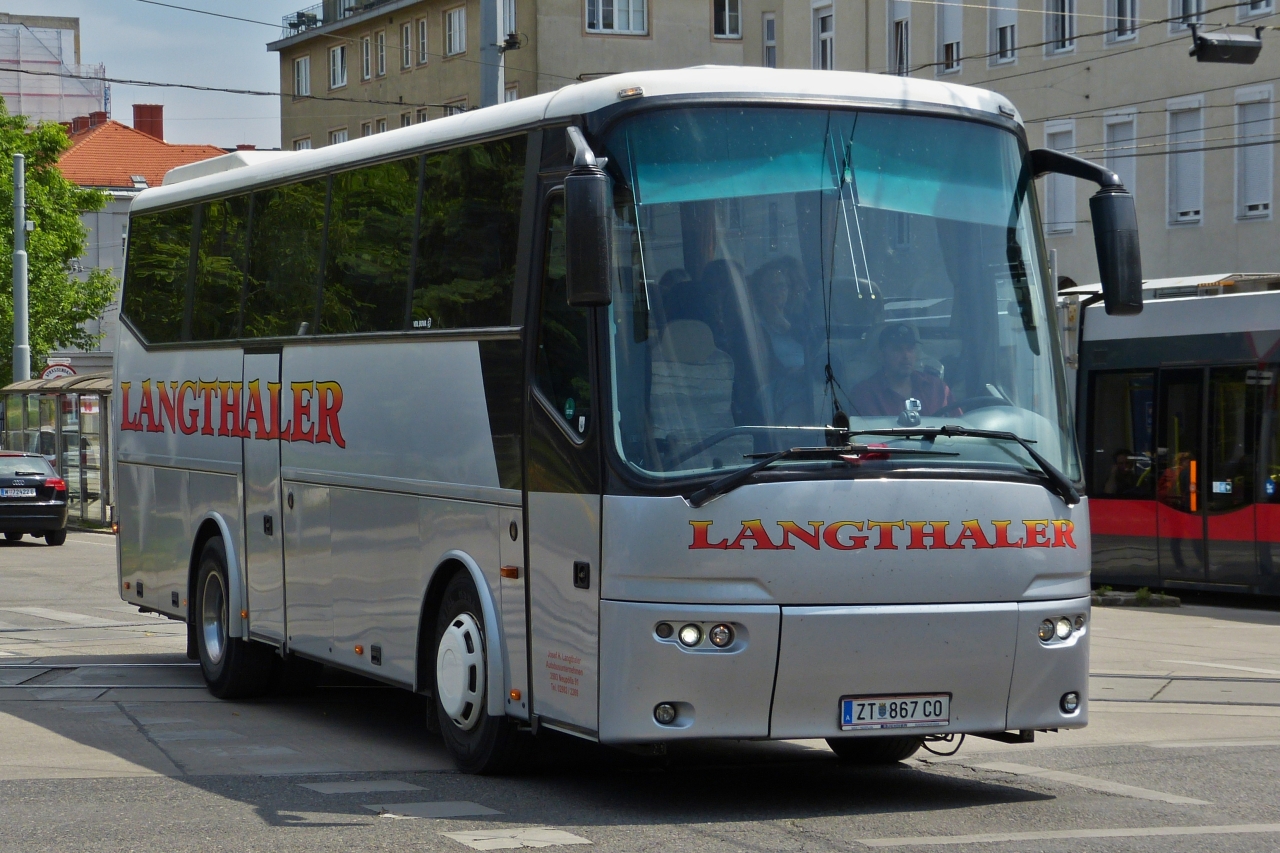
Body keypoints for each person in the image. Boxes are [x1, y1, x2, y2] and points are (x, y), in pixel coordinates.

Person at [848, 323, 952, 417]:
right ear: (881, 355)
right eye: (897, 349)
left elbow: (960, 427)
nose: (906, 355)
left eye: (910, 349)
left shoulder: (937, 387)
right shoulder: (865, 394)